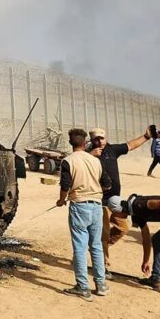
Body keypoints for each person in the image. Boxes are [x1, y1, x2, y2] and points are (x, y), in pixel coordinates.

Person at [57, 128, 112, 301]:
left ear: (71, 142)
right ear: (85, 142)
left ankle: (82, 287)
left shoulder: (68, 161)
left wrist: (61, 200)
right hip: (97, 206)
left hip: (79, 206)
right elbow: (108, 184)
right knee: (95, 246)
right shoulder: (95, 160)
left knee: (80, 247)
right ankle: (101, 285)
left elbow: (65, 185)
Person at [88, 126, 152, 274]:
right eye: (96, 139)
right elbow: (76, 161)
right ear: (92, 140)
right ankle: (103, 262)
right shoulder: (87, 154)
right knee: (103, 232)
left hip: (115, 200)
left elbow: (130, 145)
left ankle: (99, 248)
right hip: (99, 200)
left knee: (123, 228)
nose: (99, 142)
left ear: (106, 138)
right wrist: (91, 155)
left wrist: (146, 137)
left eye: (101, 138)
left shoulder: (112, 150)